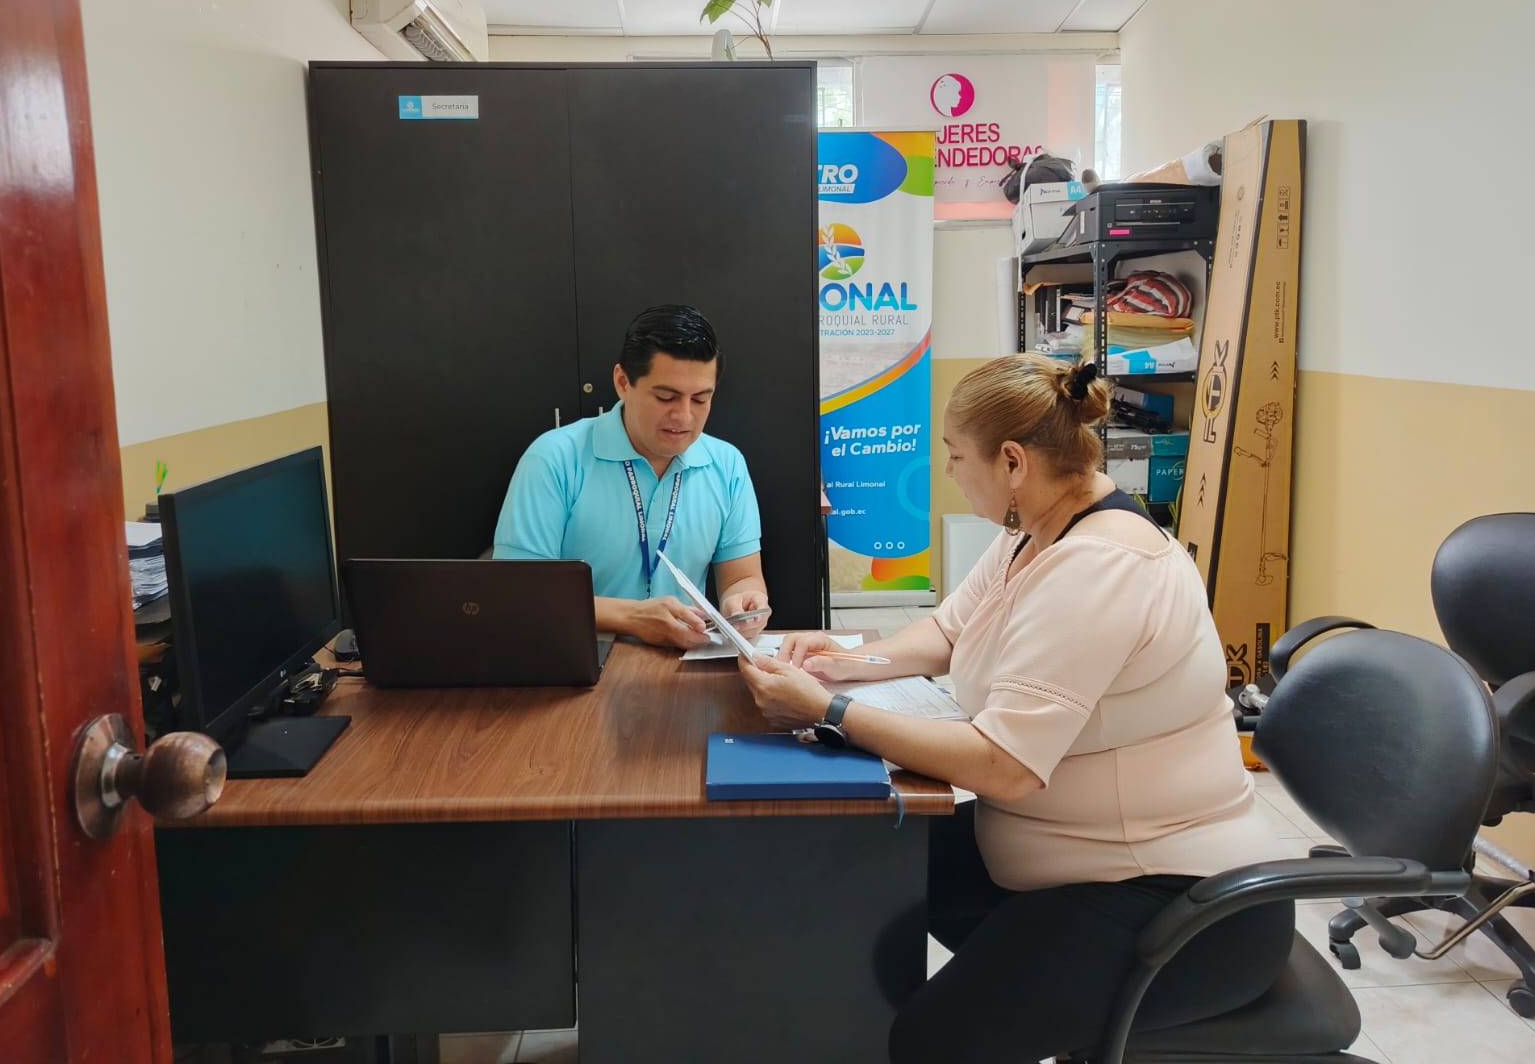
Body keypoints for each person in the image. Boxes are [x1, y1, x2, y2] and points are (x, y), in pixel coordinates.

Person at [736, 355, 1292, 1063]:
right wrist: (842, 662)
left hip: (1177, 903)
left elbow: (1003, 766)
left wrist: (831, 710)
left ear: (1011, 461)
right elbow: (948, 631)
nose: (948, 470)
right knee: (861, 863)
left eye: (954, 454)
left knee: (935, 1040)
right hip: (1068, 859)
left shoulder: (1100, 569)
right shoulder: (1034, 528)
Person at [493, 305, 770, 649]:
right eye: (666, 397)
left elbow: (742, 577)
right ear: (623, 382)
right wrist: (632, 617)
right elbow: (518, 593)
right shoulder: (554, 459)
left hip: (682, 662)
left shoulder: (726, 464)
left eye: (700, 399)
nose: (684, 416)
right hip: (576, 662)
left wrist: (744, 602)